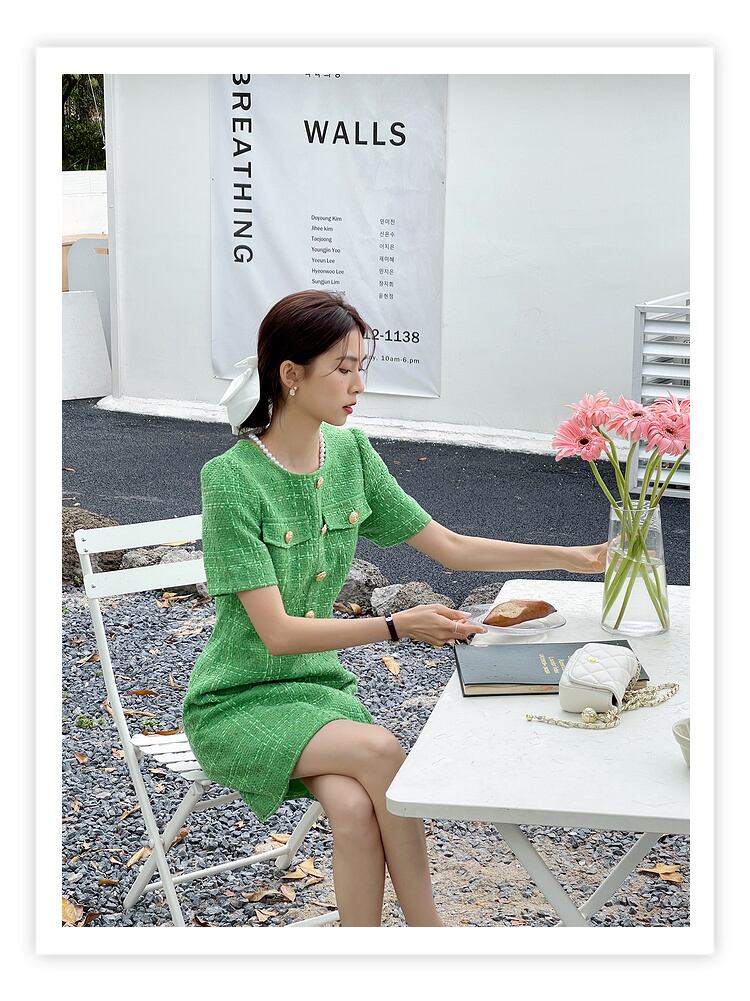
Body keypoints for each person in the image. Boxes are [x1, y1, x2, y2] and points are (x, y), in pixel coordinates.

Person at [182, 289, 608, 927]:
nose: (358, 385)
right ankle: (428, 939)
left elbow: (451, 548)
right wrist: (393, 626)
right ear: (290, 374)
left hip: (318, 693)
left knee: (354, 810)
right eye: (342, 368)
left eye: (361, 366)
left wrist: (575, 557)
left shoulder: (350, 455)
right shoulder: (231, 479)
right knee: (383, 751)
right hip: (237, 700)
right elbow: (275, 634)